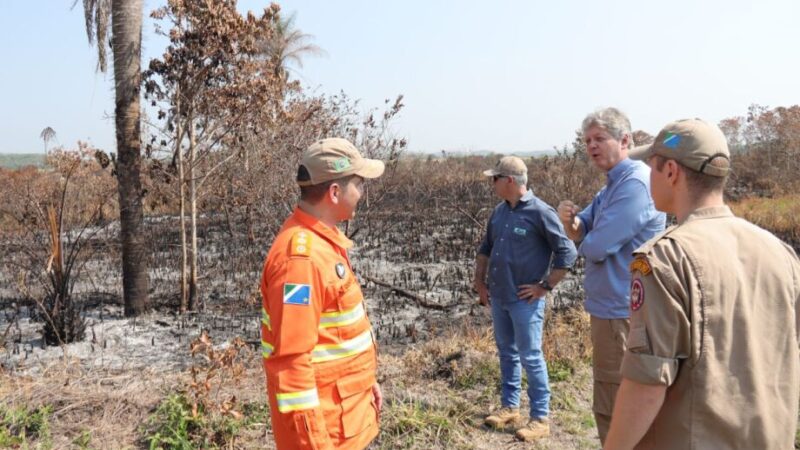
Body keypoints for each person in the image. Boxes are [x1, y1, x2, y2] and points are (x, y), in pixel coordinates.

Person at [603, 119, 800, 449]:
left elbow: (647, 384)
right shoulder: (780, 252)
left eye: (651, 167)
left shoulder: (665, 257)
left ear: (671, 171)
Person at [260, 138, 384, 450]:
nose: (362, 193)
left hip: (351, 420)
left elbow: (333, 340)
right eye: (358, 183)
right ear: (334, 192)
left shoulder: (324, 244)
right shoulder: (300, 261)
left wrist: (366, 384)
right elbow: (291, 367)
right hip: (329, 436)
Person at [557, 107, 666, 444]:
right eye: (587, 140)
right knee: (614, 397)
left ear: (624, 140)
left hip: (622, 312)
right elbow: (581, 231)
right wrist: (569, 222)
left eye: (599, 139)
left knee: (615, 402)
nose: (591, 146)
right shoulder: (612, 186)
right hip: (610, 308)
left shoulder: (634, 184)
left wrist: (583, 235)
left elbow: (593, 247)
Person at [474, 156, 578, 442]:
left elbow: (567, 253)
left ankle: (540, 418)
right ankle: (510, 406)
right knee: (506, 351)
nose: (491, 183)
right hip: (500, 296)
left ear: (509, 181)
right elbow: (486, 247)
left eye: (494, 178)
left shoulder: (540, 212)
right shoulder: (499, 212)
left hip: (525, 301)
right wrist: (479, 282)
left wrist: (544, 286)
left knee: (531, 356)